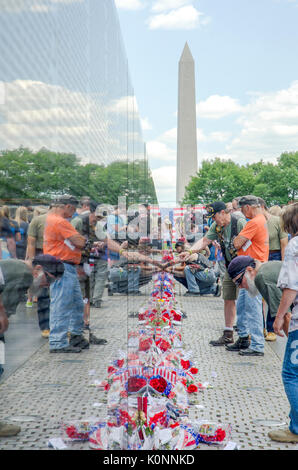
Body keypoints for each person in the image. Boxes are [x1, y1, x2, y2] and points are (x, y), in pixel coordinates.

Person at [0, 254, 64, 437]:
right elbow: (5, 305)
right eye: (48, 280)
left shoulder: (17, 268)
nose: (47, 285)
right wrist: (3, 316)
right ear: (38, 270)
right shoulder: (24, 274)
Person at [180, 201, 247, 346]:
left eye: (214, 216)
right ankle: (228, 334)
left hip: (244, 266)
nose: (212, 220)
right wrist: (190, 251)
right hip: (230, 266)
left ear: (223, 212)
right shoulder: (216, 226)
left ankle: (246, 335)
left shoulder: (239, 222)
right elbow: (205, 241)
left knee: (244, 301)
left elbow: (250, 245)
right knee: (228, 298)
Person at [43, 195, 91, 353]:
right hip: (62, 265)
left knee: (76, 303)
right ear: (68, 206)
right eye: (73, 209)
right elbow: (79, 242)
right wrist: (86, 242)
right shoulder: (60, 221)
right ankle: (58, 342)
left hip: (63, 265)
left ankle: (75, 335)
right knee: (61, 304)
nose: (74, 213)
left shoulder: (52, 219)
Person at [268, 203, 298, 443]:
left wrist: (278, 318)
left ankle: (296, 429)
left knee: (291, 373)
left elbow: (291, 286)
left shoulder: (295, 246)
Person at [230, 195, 269, 356]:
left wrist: (235, 239)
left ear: (247, 207)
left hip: (252, 270)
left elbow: (237, 243)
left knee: (252, 308)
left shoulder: (253, 222)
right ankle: (244, 337)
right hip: (252, 267)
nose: (241, 212)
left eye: (241, 208)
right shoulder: (262, 220)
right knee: (243, 306)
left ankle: (257, 345)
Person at [258, 197, 288, 341]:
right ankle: (260, 326)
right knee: (258, 294)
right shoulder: (254, 222)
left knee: (272, 294)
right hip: (260, 256)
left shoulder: (276, 221)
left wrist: (284, 264)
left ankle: (270, 329)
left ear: (262, 207)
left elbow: (284, 243)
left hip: (274, 255)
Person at [26, 206, 51, 336]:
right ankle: (47, 326)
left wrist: (32, 262)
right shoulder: (38, 221)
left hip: (42, 258)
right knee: (45, 294)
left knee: (44, 294)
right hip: (46, 258)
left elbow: (30, 243)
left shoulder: (36, 220)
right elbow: (31, 243)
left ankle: (46, 327)